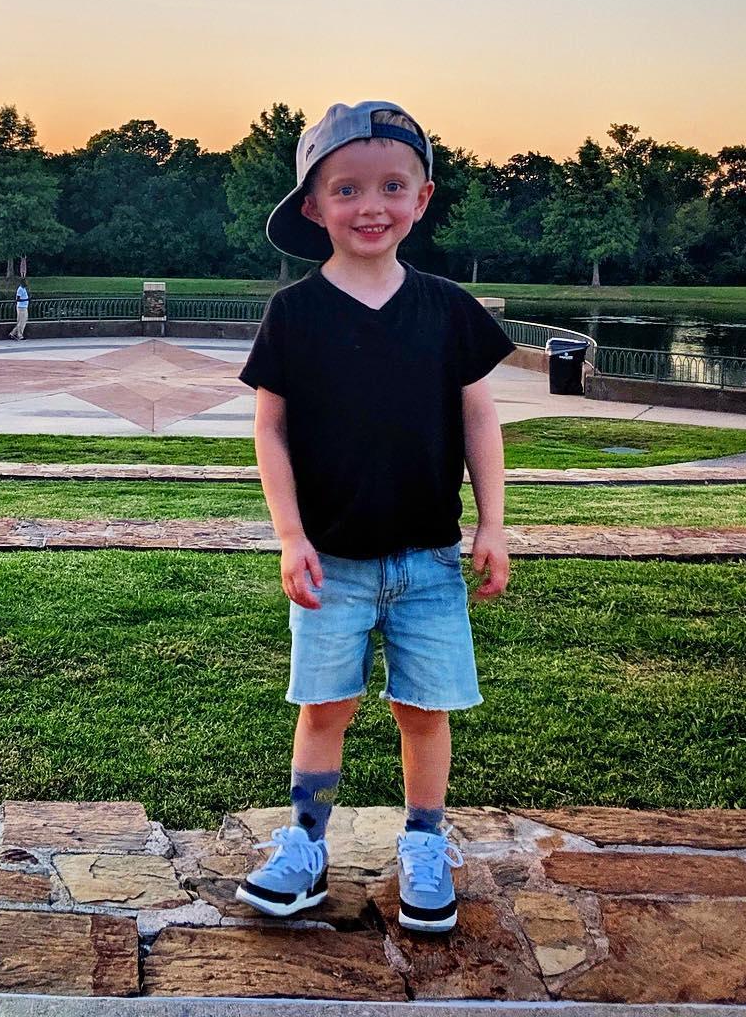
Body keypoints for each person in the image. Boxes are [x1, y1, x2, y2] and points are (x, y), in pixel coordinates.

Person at [233, 100, 513, 935]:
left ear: (422, 200)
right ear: (314, 206)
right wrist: (289, 535)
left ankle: (424, 844)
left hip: (429, 561)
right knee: (324, 709)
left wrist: (492, 523)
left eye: (393, 186)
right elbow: (270, 428)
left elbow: (479, 420)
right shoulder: (296, 314)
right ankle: (307, 845)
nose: (371, 206)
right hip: (333, 563)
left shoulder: (447, 309)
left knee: (424, 711)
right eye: (347, 188)